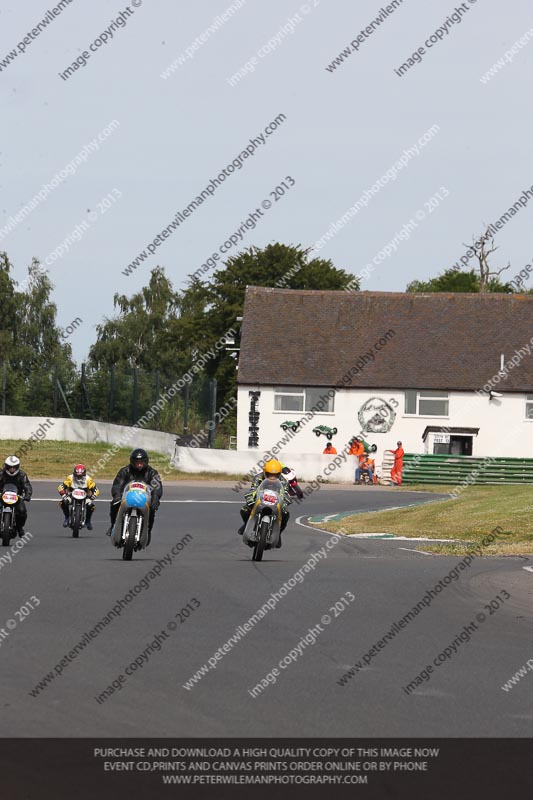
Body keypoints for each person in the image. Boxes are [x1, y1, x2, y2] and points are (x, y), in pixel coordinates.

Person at [106, 448, 163, 545]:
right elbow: (117, 485)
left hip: (145, 499)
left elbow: (157, 487)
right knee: (114, 504)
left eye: (141, 462)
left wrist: (156, 498)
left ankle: (148, 530)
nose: (139, 464)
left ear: (146, 461)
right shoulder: (125, 471)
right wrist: (117, 495)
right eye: (137, 462)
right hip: (127, 497)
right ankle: (113, 525)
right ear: (132, 462)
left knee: (152, 509)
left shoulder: (152, 472)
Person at [238, 458, 291, 548]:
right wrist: (250, 498)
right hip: (260, 500)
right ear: (265, 472)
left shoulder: (283, 481)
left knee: (286, 514)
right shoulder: (258, 477)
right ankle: (246, 524)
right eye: (270, 474)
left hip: (275, 502)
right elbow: (253, 490)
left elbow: (285, 494)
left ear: (279, 473)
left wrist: (286, 501)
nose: (272, 477)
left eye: (275, 475)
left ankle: (278, 534)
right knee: (244, 510)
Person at [58, 464, 99, 530]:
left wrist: (93, 496)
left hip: (85, 497)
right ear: (74, 474)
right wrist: (64, 495)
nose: (79, 478)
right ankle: (67, 518)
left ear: (84, 474)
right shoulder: (70, 478)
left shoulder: (89, 479)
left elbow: (96, 489)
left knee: (91, 506)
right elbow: (60, 487)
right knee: (63, 502)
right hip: (71, 496)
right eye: (77, 476)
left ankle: (88, 521)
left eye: (81, 476)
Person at [0, 455, 32, 536]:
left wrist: (27, 495)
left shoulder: (22, 475)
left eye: (14, 467)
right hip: (2, 496)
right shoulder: (1, 474)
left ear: (17, 466)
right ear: (6, 467)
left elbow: (27, 486)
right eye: (10, 467)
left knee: (22, 511)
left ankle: (19, 527)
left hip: (17, 497)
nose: (12, 469)